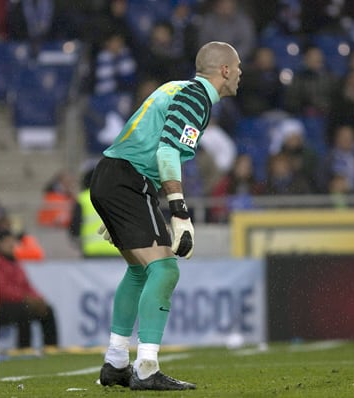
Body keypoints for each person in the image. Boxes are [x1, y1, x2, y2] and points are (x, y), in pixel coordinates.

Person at [89, 41, 241, 391]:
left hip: (113, 176)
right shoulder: (197, 97)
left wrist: (116, 205)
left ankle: (115, 362)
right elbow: (167, 151)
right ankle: (146, 367)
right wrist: (179, 212)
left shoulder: (174, 87)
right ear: (225, 71)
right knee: (166, 269)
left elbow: (143, 141)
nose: (241, 75)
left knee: (139, 271)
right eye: (239, 68)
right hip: (127, 180)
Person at [0, 227, 58, 352]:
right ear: (0, 244)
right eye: (7, 242)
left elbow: (27, 286)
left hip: (18, 302)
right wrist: (25, 298)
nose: (11, 245)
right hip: (0, 307)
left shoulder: (15, 262)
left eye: (13, 241)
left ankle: (51, 348)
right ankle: (24, 348)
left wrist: (39, 298)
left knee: (47, 310)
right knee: (24, 312)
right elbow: (1, 289)